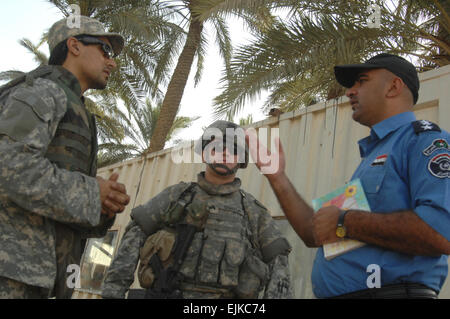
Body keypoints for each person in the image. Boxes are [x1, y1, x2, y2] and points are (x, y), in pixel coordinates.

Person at [246, 53, 450, 298]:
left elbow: (441, 231)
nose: (349, 92)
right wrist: (277, 177)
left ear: (394, 86)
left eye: (361, 81)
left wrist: (344, 222)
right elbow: (317, 232)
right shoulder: (373, 157)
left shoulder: (424, 141)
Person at [0, 16, 130, 299]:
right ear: (74, 46)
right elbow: (9, 167)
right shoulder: (41, 92)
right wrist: (92, 191)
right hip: (12, 275)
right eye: (105, 51)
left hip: (45, 279)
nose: (112, 62)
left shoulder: (78, 110)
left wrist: (103, 206)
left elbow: (62, 205)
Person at [101, 121, 292, 299]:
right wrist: (112, 293)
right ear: (204, 153)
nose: (224, 152)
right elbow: (134, 234)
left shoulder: (253, 211)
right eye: (217, 147)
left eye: (233, 149)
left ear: (241, 159)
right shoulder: (176, 196)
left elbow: (279, 264)